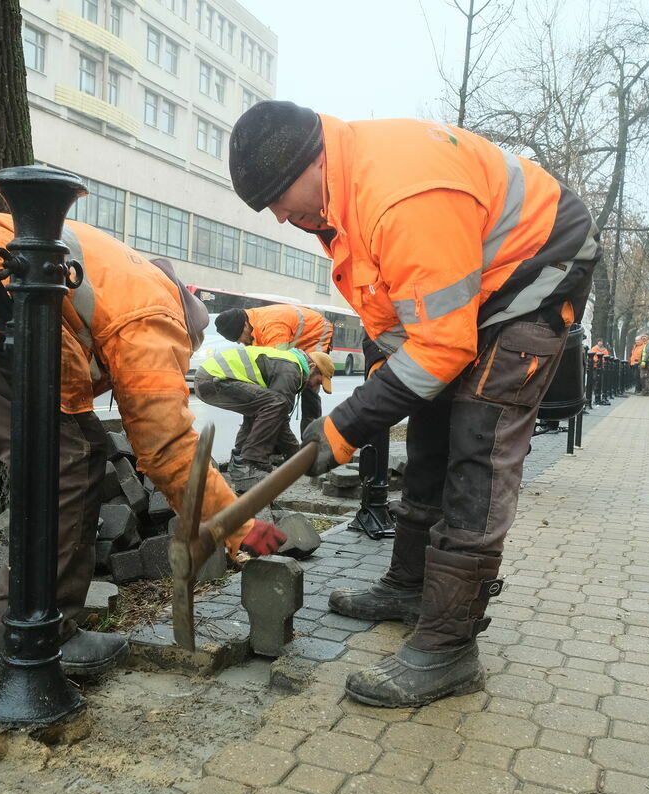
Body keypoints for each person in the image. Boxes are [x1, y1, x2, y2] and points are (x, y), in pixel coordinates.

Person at [228, 101, 597, 707]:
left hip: (534, 279)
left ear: (313, 159)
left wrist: (343, 427)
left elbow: (443, 344)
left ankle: (449, 648)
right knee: (428, 435)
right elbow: (403, 320)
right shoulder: (338, 204)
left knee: (475, 450)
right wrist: (381, 379)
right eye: (267, 205)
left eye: (277, 196)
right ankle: (408, 586)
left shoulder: (400, 195)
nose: (278, 214)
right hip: (475, 299)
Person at [0, 210, 286, 672]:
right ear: (186, 327)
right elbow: (165, 444)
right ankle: (35, 635)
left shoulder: (118, 276)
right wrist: (236, 523)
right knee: (68, 459)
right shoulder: (154, 315)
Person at [194, 344, 334, 481]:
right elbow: (281, 419)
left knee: (261, 410)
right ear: (312, 367)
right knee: (277, 404)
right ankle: (251, 463)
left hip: (208, 378)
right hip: (214, 379)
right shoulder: (291, 370)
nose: (316, 387)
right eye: (318, 382)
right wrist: (298, 458)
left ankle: (240, 459)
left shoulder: (288, 363)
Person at [215, 304, 334, 437]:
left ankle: (311, 442)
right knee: (275, 392)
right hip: (293, 338)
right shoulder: (249, 325)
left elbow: (279, 368)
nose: (239, 342)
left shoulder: (273, 328)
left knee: (308, 387)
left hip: (315, 334)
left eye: (239, 338)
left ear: (245, 326)